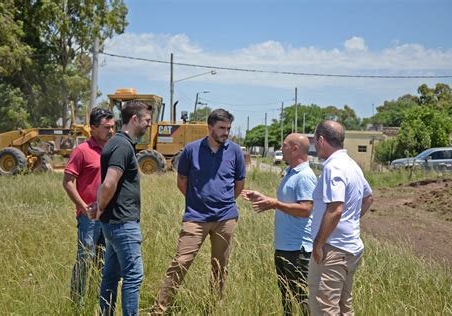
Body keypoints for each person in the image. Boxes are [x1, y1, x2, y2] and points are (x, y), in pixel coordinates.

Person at [151, 108, 246, 314]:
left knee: (220, 267)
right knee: (181, 262)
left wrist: (225, 202)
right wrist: (197, 201)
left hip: (225, 218)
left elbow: (239, 183)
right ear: (209, 127)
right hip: (195, 218)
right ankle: (159, 309)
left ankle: (213, 308)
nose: (225, 132)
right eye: (221, 128)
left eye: (228, 128)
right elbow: (182, 181)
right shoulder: (191, 150)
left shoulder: (235, 151)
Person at [241, 133, 317, 315]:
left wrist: (274, 204)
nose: (280, 149)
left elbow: (306, 209)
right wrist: (265, 199)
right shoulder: (290, 173)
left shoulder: (305, 176)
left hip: (297, 250)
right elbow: (290, 204)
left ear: (295, 149)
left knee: (302, 298)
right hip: (285, 247)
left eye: (284, 146)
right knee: (287, 300)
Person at [91, 100, 152, 315]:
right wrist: (99, 208)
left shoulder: (118, 143)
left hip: (115, 223)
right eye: (146, 121)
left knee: (110, 276)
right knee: (133, 276)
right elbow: (108, 183)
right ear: (134, 119)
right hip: (123, 224)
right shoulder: (122, 145)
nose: (148, 125)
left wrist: (100, 208)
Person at [308, 120, 374, 315]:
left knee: (324, 307)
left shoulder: (333, 167)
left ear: (321, 139)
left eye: (315, 140)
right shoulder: (352, 165)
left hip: (333, 250)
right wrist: (351, 221)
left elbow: (335, 209)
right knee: (343, 307)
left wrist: (318, 244)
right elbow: (368, 198)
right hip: (349, 247)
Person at [63, 107, 115, 305]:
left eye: (112, 127)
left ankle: (98, 300)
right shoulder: (82, 151)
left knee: (104, 261)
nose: (110, 131)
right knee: (85, 258)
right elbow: (67, 181)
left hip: (109, 215)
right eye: (106, 127)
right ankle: (77, 303)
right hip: (89, 217)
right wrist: (83, 207)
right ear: (93, 128)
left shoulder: (112, 150)